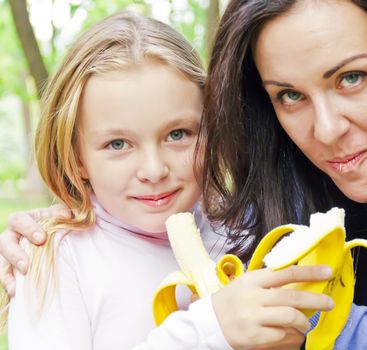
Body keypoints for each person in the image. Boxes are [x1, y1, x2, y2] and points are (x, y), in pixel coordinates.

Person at [2, 0, 367, 349]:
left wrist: (326, 327)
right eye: (289, 95)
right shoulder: (264, 211)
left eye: (351, 77)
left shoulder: (227, 233)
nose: (325, 129)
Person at [0, 11, 333, 350]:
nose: (154, 170)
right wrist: (210, 328)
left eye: (178, 134)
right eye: (118, 144)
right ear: (77, 155)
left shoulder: (244, 235)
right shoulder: (55, 260)